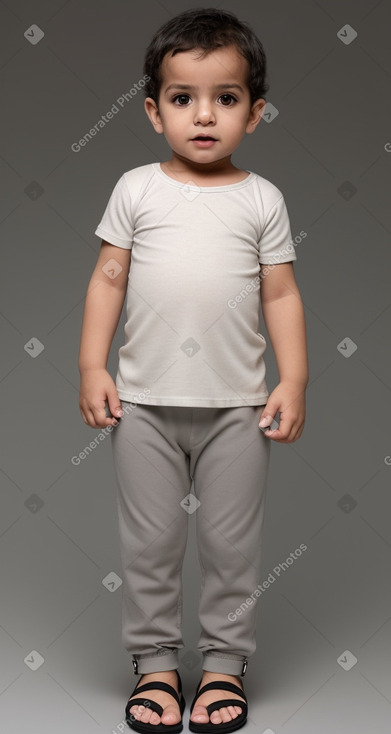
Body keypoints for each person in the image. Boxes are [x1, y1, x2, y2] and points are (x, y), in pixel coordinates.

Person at [78, 7, 308, 733]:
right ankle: (153, 666)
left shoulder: (261, 199)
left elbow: (280, 292)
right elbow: (108, 279)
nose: (203, 115)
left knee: (230, 547)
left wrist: (293, 379)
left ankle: (221, 668)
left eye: (226, 98)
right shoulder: (135, 190)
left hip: (237, 408)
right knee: (148, 544)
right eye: (182, 98)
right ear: (153, 111)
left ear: (255, 111)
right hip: (142, 404)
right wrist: (92, 364)